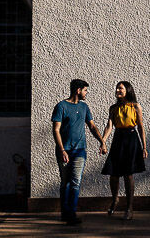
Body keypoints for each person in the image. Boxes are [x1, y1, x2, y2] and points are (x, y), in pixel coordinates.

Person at [52, 78, 106, 226]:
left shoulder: (84, 107)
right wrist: (62, 149)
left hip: (80, 150)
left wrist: (101, 141)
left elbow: (92, 127)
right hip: (64, 151)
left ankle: (71, 213)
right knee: (65, 183)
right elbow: (56, 129)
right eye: (85, 90)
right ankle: (65, 212)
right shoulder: (61, 106)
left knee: (75, 182)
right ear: (78, 90)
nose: (86, 93)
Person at [100, 80, 148, 220]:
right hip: (118, 139)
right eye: (117, 88)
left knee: (128, 174)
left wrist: (144, 147)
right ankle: (115, 199)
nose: (117, 90)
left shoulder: (135, 106)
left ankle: (129, 207)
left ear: (127, 90)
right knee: (113, 173)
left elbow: (140, 127)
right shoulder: (113, 108)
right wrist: (103, 142)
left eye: (120, 88)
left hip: (131, 139)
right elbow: (109, 126)